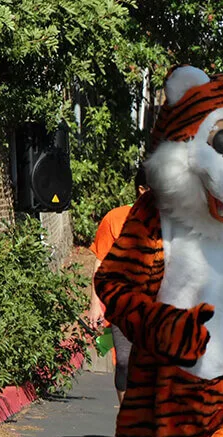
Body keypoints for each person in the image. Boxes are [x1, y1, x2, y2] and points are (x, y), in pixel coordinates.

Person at [88, 168, 149, 407]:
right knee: (124, 361)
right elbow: (100, 262)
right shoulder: (115, 219)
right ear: (142, 190)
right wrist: (95, 304)